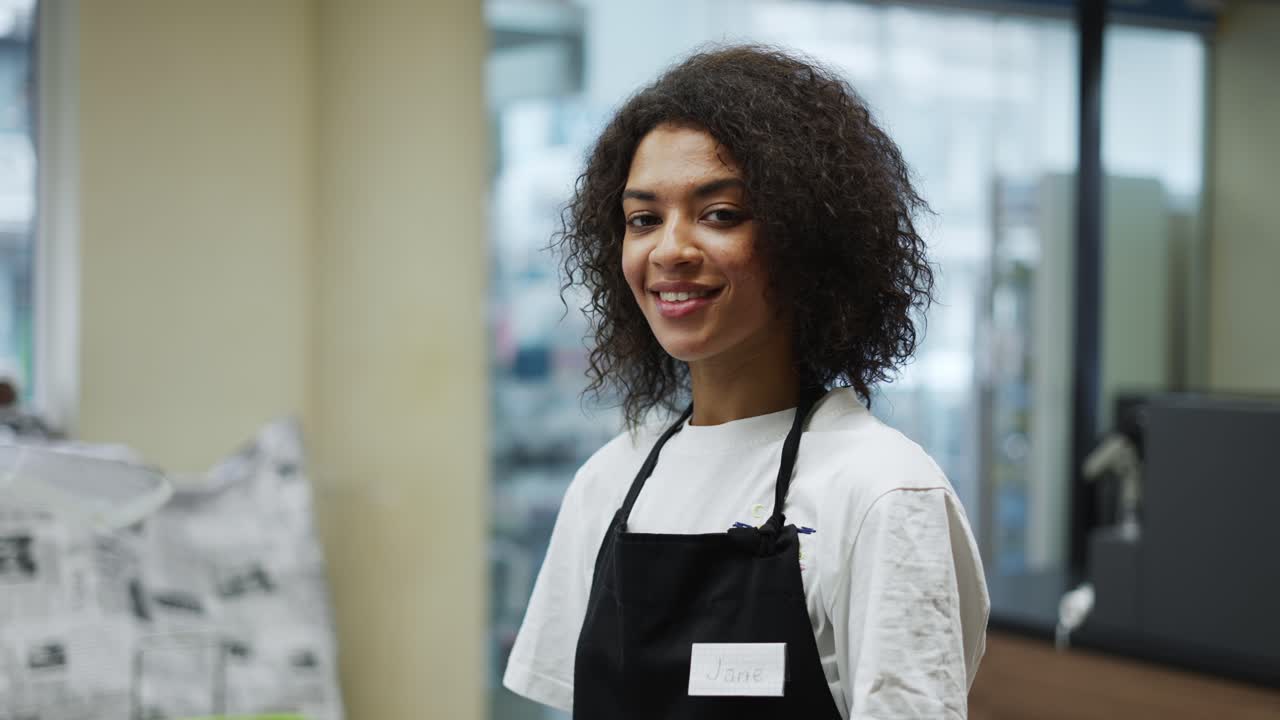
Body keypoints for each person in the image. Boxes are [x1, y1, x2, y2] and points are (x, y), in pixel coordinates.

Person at [503, 44, 989, 719]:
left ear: (807, 237)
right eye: (644, 219)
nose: (670, 249)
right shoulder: (609, 483)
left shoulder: (881, 492)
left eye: (720, 214)